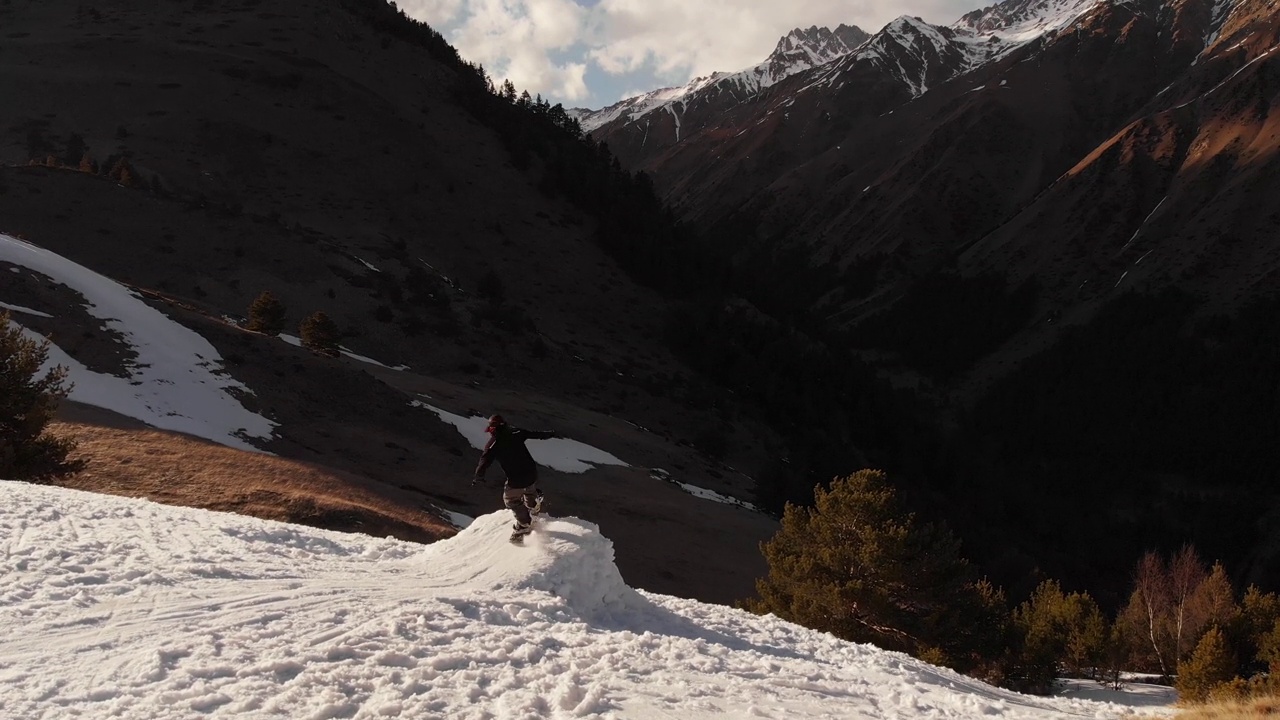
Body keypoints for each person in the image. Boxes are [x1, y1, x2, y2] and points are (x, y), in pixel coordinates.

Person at [473, 414, 557, 542]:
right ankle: (534, 504)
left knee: (511, 500)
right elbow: (534, 434)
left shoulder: (493, 444)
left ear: (492, 429)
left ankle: (523, 525)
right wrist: (549, 434)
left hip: (516, 478)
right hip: (531, 472)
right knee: (529, 488)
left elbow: (484, 461)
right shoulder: (516, 432)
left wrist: (478, 477)